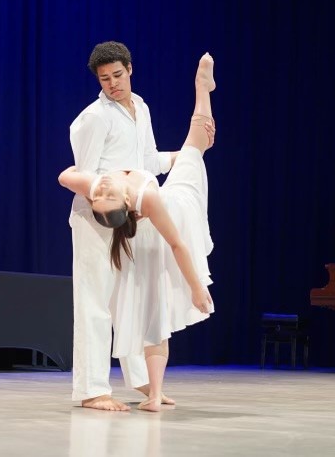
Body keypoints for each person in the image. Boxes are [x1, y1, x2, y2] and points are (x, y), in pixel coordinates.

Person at [59, 52, 217, 412]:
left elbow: (145, 160)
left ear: (130, 69)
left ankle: (142, 379)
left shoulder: (140, 108)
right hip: (97, 217)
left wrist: (180, 156)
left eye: (117, 75)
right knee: (95, 302)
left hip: (129, 214)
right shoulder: (94, 119)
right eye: (104, 79)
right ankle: (92, 389)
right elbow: (86, 175)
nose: (112, 84)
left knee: (131, 297)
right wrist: (107, 200)